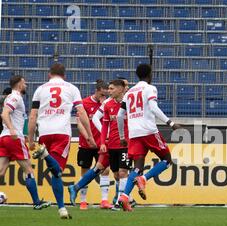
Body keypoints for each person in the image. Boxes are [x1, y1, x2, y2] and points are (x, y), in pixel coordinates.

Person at [29, 63, 97, 219]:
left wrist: (31, 140)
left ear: (49, 75)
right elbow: (81, 112)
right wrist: (90, 135)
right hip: (62, 133)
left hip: (44, 133)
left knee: (55, 172)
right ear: (64, 75)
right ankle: (45, 155)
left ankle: (61, 209)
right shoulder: (71, 88)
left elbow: (33, 116)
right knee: (58, 171)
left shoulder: (40, 89)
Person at [117, 64, 181, 211]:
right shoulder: (150, 88)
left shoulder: (129, 92)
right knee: (167, 160)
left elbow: (120, 116)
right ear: (150, 74)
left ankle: (124, 197)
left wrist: (122, 136)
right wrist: (170, 123)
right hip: (149, 131)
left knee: (137, 167)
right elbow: (153, 108)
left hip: (134, 133)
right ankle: (144, 179)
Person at [68, 79, 136, 210]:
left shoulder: (129, 102)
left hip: (125, 144)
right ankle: (76, 188)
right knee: (104, 169)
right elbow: (98, 120)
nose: (108, 91)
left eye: (111, 89)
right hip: (110, 145)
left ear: (121, 89)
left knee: (120, 173)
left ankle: (120, 201)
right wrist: (105, 138)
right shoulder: (107, 104)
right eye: (108, 89)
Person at [0, 76, 50, 209]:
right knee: (28, 171)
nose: (26, 85)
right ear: (18, 85)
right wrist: (12, 130)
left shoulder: (13, 97)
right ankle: (37, 202)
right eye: (24, 83)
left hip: (4, 138)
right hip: (13, 138)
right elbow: (4, 114)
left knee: (1, 171)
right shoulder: (15, 97)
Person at [76, 80, 112, 210]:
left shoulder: (107, 105)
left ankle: (104, 200)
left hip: (101, 144)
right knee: (85, 171)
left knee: (105, 169)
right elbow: (79, 123)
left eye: (106, 95)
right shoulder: (85, 103)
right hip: (86, 144)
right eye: (102, 94)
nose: (104, 97)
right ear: (97, 90)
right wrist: (88, 137)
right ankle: (83, 201)